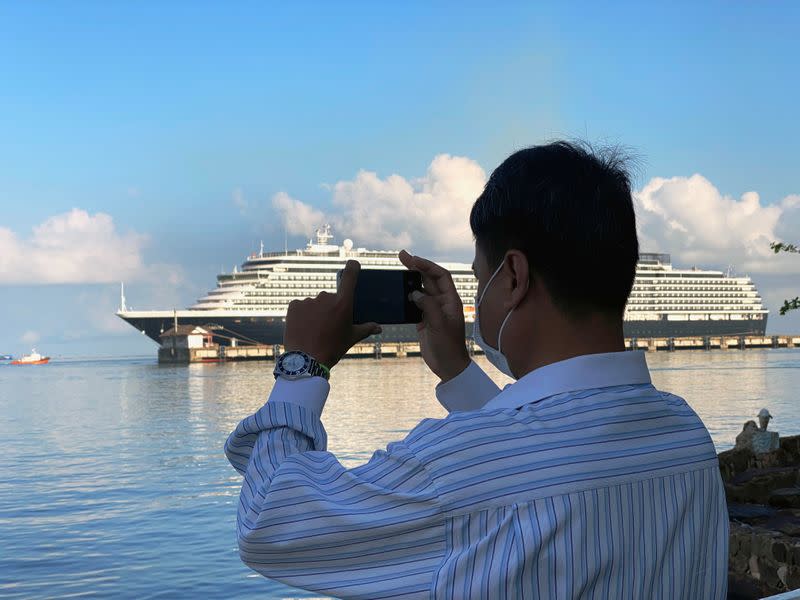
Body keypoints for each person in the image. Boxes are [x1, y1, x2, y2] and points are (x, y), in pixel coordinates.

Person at [224, 141, 728, 599]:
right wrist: (457, 370)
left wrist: (303, 365)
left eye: (479, 277)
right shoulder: (686, 434)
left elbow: (270, 523)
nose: (475, 298)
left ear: (513, 277)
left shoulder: (455, 468)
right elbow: (537, 456)